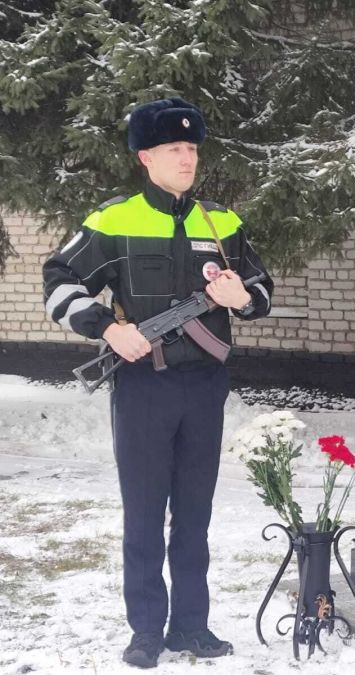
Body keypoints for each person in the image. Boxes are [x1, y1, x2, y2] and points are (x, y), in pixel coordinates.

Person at [42, 98, 274, 668]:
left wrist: (240, 297)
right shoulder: (113, 219)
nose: (186, 158)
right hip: (143, 386)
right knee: (145, 513)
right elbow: (58, 280)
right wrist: (106, 328)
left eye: (192, 148)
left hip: (204, 388)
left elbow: (263, 290)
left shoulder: (221, 223)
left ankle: (191, 626)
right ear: (145, 156)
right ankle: (146, 630)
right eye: (174, 148)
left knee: (195, 515)